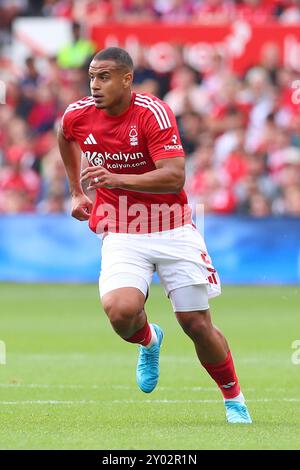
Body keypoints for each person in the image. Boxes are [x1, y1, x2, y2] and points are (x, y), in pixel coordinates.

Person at [58, 47, 252, 424]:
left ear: (127, 79)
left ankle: (234, 399)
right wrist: (76, 192)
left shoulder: (152, 112)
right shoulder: (78, 114)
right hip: (122, 228)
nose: (95, 85)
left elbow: (175, 175)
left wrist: (116, 178)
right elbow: (64, 135)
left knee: (196, 324)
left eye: (105, 77)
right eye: (92, 77)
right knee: (120, 312)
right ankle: (149, 340)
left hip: (172, 227)